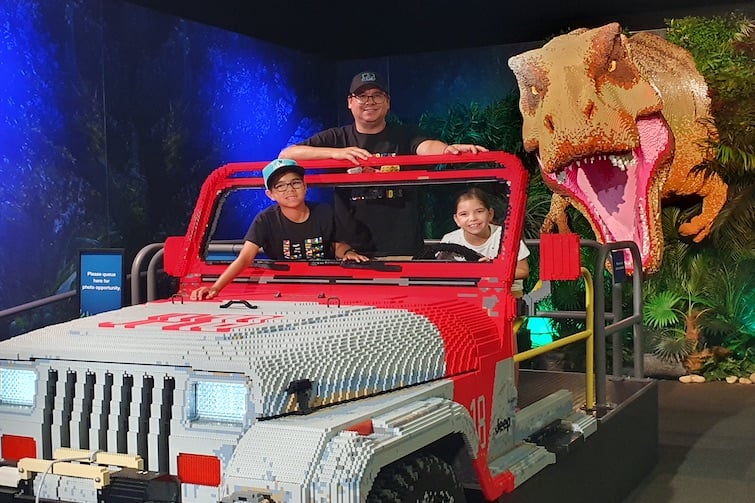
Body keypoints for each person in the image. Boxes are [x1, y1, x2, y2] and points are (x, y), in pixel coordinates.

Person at [279, 70, 489, 257]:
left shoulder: (405, 134)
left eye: (377, 95)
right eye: (362, 96)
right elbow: (287, 154)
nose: (369, 101)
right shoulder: (337, 137)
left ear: (387, 102)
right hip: (351, 250)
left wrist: (447, 150)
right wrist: (337, 154)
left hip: (402, 248)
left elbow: (425, 146)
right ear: (350, 102)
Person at [191, 159, 367, 300]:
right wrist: (215, 288)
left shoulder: (324, 212)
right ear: (271, 194)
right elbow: (245, 258)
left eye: (295, 183)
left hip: (324, 284)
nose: (289, 190)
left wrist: (348, 253)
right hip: (284, 286)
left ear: (305, 187)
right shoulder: (265, 220)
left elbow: (337, 245)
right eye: (280, 186)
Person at [441, 187, 530, 296]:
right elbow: (441, 272)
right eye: (464, 214)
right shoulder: (449, 240)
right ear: (456, 219)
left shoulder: (507, 236)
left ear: (490, 214)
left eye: (479, 211)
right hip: (464, 295)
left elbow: (523, 270)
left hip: (507, 295)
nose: (473, 218)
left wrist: (492, 271)